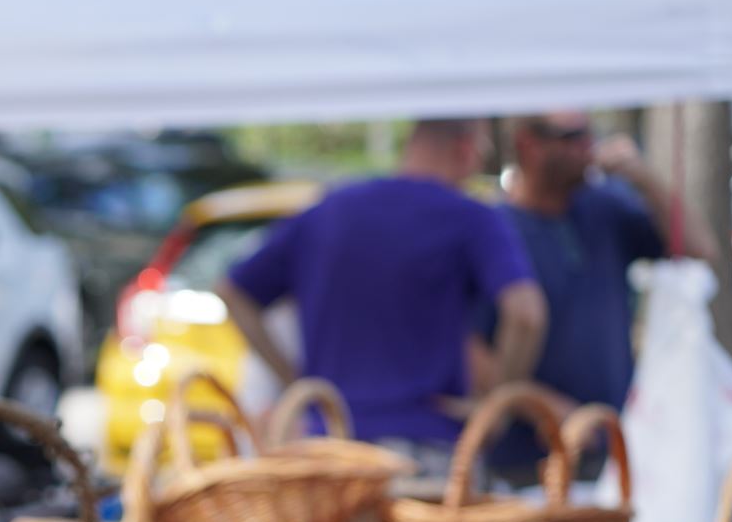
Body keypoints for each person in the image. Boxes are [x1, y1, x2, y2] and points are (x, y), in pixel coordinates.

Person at [219, 119, 546, 471]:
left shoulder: (330, 209)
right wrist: (496, 408)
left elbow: (233, 291)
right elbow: (526, 313)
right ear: (465, 150)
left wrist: (293, 380)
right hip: (426, 445)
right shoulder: (469, 216)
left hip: (330, 448)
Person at [476, 113, 683, 481]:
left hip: (614, 445)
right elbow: (474, 344)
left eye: (591, 135)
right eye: (573, 137)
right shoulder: (494, 226)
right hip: (526, 459)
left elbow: (696, 248)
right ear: (529, 145)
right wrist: (536, 404)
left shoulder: (606, 207)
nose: (589, 147)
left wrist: (643, 176)